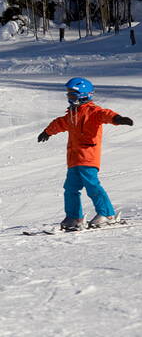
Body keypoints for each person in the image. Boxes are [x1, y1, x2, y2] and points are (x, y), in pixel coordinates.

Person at [37, 77, 133, 231]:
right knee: (70, 188)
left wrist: (118, 119)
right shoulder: (71, 114)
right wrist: (47, 132)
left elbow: (105, 114)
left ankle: (107, 214)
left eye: (73, 95)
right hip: (74, 158)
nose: (70, 98)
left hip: (88, 156)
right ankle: (74, 217)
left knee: (92, 185)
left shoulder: (93, 111)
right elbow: (60, 123)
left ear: (84, 95)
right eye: (68, 95)